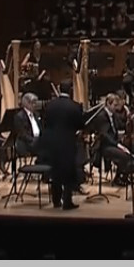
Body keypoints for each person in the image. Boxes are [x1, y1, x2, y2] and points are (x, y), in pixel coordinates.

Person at [39, 80, 84, 210]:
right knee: (68, 171)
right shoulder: (74, 106)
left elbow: (45, 123)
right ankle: (67, 201)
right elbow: (79, 125)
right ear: (70, 90)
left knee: (56, 171)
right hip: (67, 142)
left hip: (52, 142)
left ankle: (56, 201)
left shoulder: (50, 105)